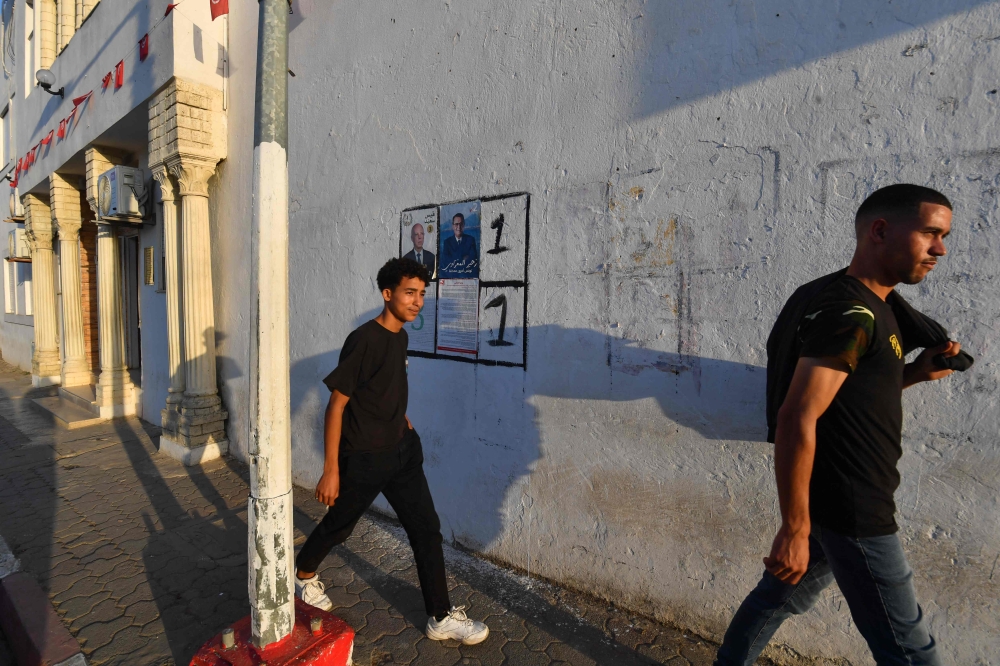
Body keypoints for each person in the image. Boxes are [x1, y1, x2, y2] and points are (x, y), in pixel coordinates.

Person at [714, 184, 962, 666]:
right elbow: (797, 415)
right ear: (880, 230)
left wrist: (915, 372)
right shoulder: (853, 312)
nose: (941, 249)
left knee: (778, 598)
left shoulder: (871, 306)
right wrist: (792, 528)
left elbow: (852, 395)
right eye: (931, 233)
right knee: (912, 652)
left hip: (834, 499)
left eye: (944, 236)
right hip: (855, 508)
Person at [294, 257, 489, 645]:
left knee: (426, 531)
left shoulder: (400, 336)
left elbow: (385, 386)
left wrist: (402, 419)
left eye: (421, 294)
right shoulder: (363, 339)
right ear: (388, 294)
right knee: (340, 525)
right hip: (364, 458)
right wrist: (331, 468)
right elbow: (337, 404)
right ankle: (303, 574)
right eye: (409, 293)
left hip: (402, 453)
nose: (417, 301)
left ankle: (439, 616)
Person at [440, 213, 478, 277]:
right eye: (456, 224)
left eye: (461, 224)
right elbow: (445, 261)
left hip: (467, 276)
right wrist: (463, 258)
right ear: (453, 226)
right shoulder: (447, 242)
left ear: (464, 225)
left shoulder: (471, 240)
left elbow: (473, 260)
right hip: (452, 277)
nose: (459, 227)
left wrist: (454, 259)